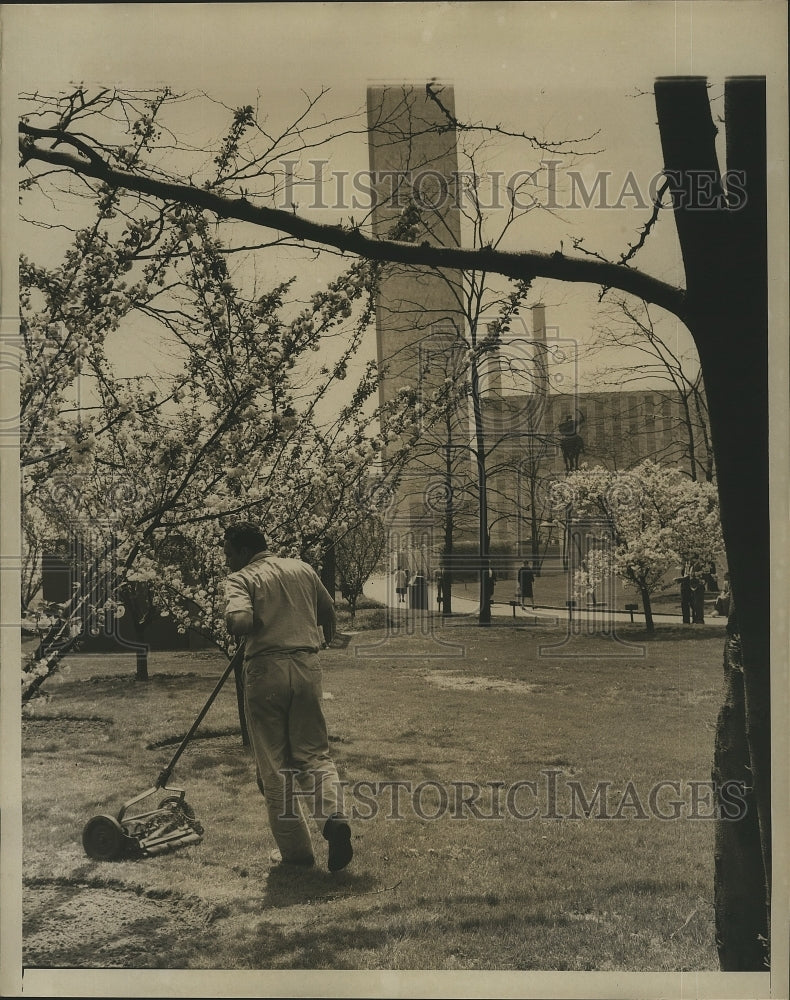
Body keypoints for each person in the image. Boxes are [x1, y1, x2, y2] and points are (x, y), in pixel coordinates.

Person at [223, 521, 352, 872]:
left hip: (267, 672)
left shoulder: (240, 579)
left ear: (241, 550)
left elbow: (241, 621)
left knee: (274, 767)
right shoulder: (302, 568)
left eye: (228, 552)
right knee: (313, 753)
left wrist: (234, 622)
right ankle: (334, 818)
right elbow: (327, 610)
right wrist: (318, 640)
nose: (227, 560)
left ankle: (296, 855)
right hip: (307, 666)